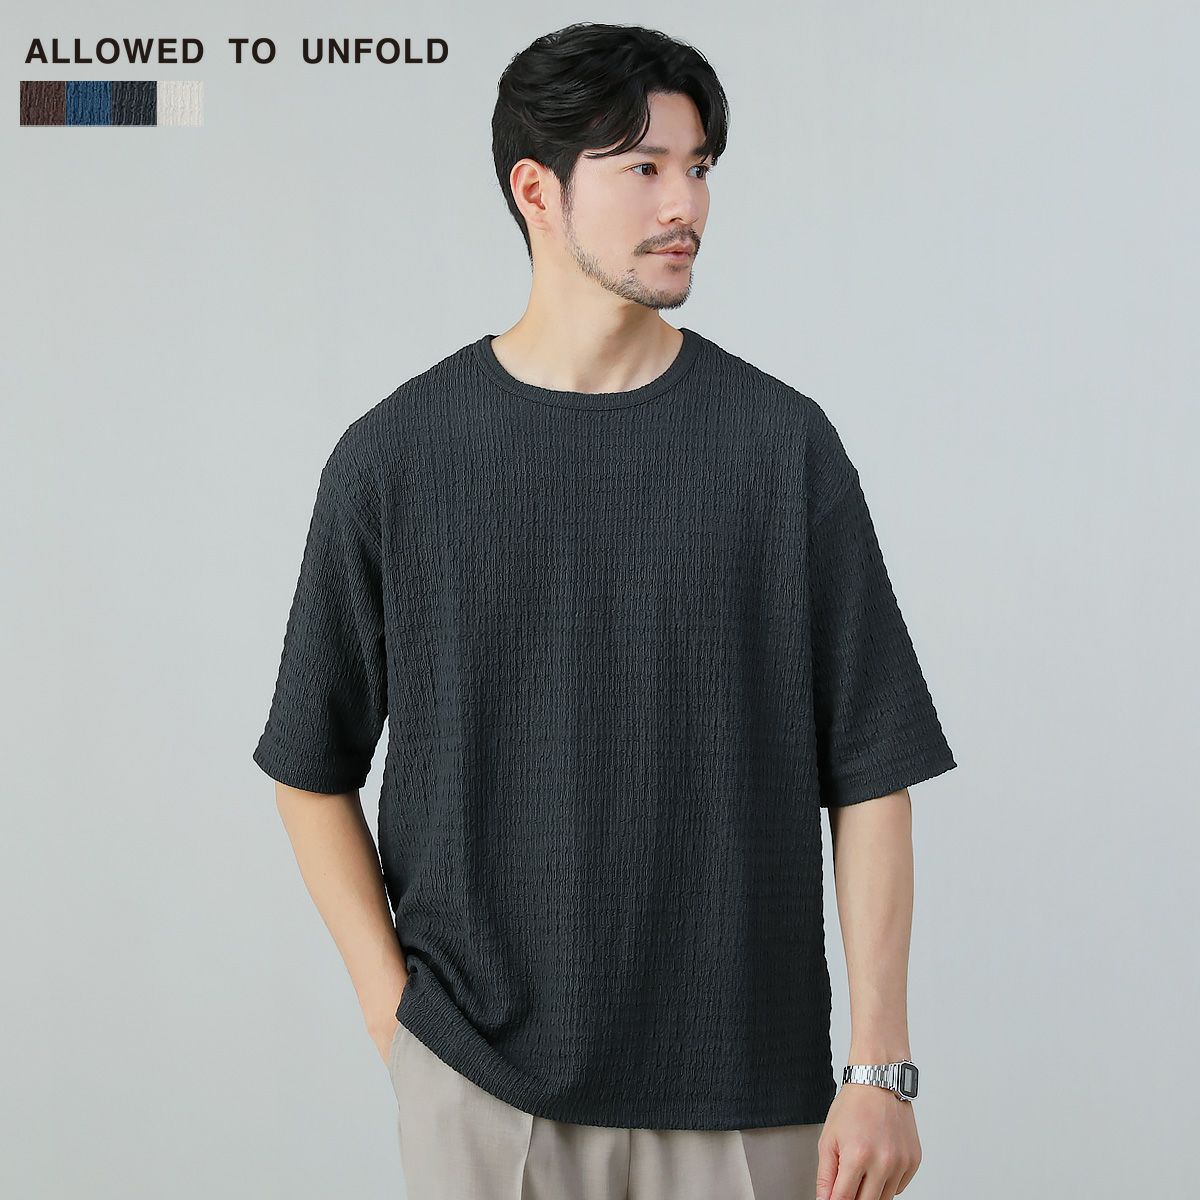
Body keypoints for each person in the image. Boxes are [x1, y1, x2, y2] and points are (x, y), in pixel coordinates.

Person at [252, 21, 956, 1200]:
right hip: (483, 1086)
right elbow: (307, 765)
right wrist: (398, 1023)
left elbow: (873, 769)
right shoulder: (396, 459)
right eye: (643, 167)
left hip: (752, 1090)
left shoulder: (780, 448)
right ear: (537, 190)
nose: (686, 204)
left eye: (699, 167)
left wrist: (880, 1067)